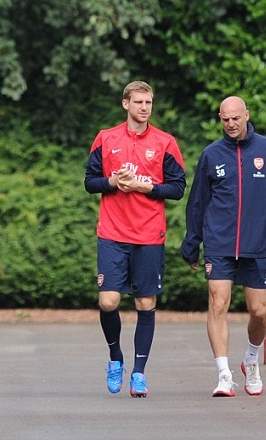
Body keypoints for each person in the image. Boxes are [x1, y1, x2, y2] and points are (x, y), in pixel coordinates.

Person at [181, 96, 266, 397]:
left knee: (259, 311)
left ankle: (250, 359)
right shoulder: (211, 155)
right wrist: (192, 241)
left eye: (236, 118)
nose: (231, 124)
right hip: (219, 242)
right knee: (217, 303)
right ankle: (224, 375)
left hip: (257, 242)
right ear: (220, 119)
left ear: (246, 115)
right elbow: (197, 203)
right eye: (225, 119)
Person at [84, 81, 186, 397]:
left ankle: (139, 373)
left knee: (145, 303)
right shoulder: (106, 138)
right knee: (108, 301)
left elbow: (178, 188)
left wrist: (147, 187)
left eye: (148, 102)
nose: (144, 107)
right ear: (125, 104)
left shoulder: (165, 142)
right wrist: (113, 182)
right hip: (112, 233)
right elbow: (90, 182)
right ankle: (115, 358)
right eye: (138, 102)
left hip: (149, 234)